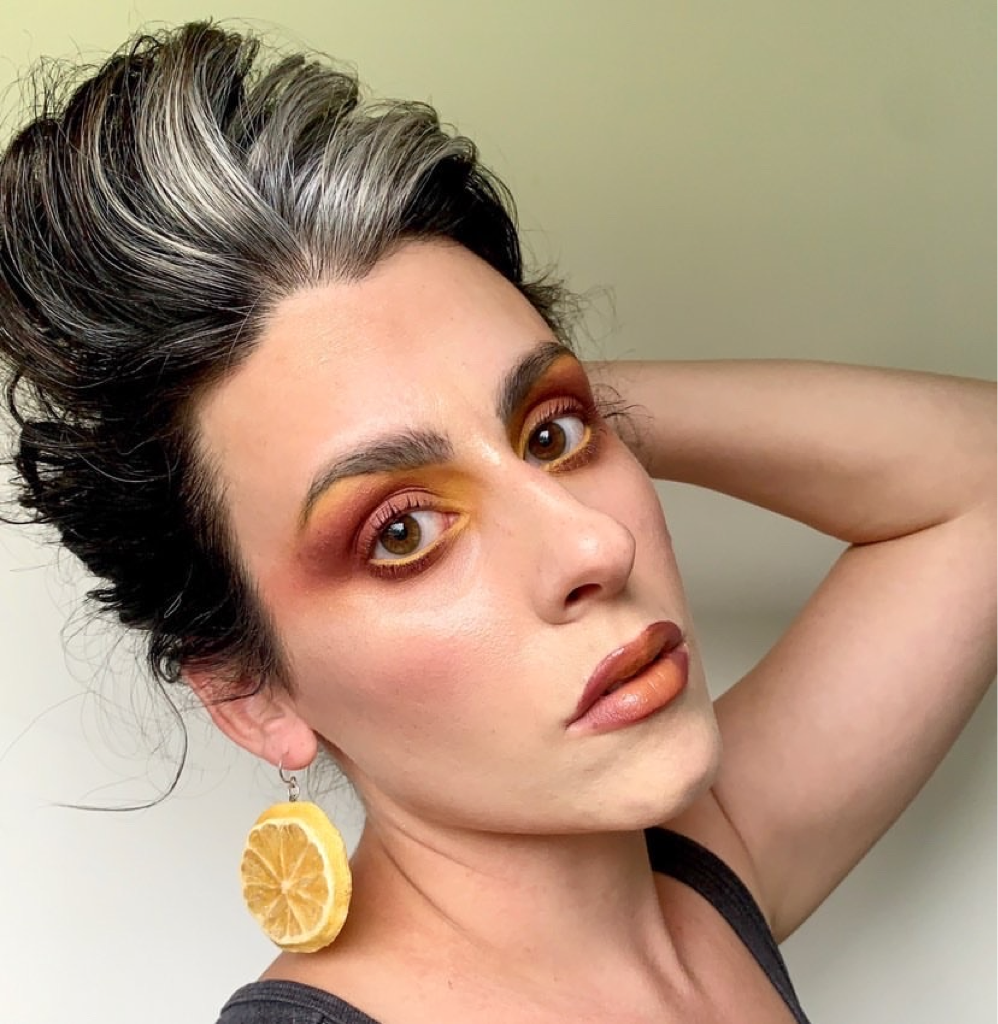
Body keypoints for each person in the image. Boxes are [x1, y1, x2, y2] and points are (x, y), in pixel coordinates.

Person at [0, 21, 994, 1024]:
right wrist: (497, 410)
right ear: (252, 694)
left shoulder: (701, 882)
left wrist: (503, 397)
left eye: (555, 435)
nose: (595, 545)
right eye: (401, 533)